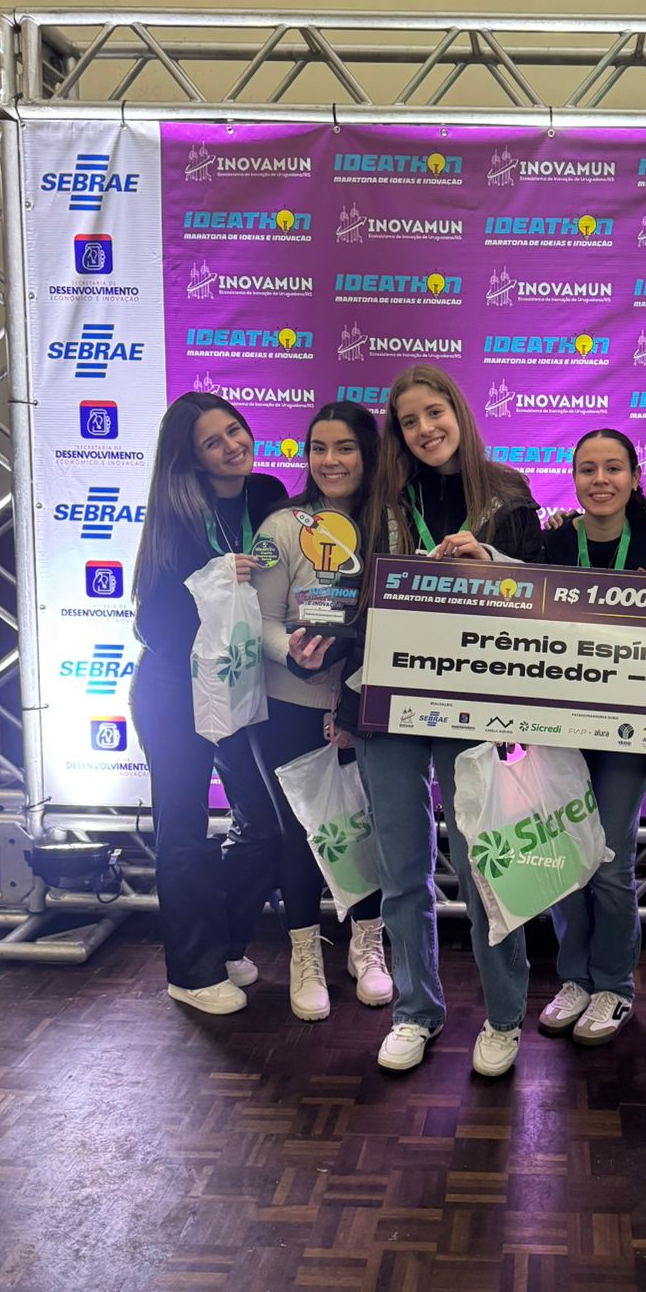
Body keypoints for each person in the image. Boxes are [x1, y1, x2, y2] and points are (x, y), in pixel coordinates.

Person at [356, 365, 544, 1076]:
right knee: (402, 869)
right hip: (391, 701)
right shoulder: (380, 500)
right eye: (409, 421)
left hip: (479, 702)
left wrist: (489, 560)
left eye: (435, 412)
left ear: (458, 413)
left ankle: (504, 1016)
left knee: (483, 864)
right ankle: (414, 1010)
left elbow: (540, 596)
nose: (425, 429)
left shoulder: (507, 491)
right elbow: (354, 596)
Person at [131, 392, 285, 1015]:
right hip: (175, 688)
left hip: (245, 685)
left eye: (235, 430)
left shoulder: (268, 495)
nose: (231, 446)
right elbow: (151, 625)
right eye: (212, 442)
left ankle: (222, 942)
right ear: (191, 459)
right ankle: (191, 974)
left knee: (269, 823)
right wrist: (215, 587)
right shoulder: (177, 514)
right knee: (184, 831)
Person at [249, 402, 391, 1023]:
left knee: (367, 826)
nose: (330, 461)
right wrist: (292, 653)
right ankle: (305, 951)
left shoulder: (391, 524)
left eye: (345, 448)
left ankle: (368, 942)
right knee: (300, 832)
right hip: (289, 703)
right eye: (318, 448)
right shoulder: (282, 525)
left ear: (369, 453)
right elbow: (259, 619)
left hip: (370, 703)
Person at [539, 429, 646, 1045]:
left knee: (609, 860)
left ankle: (613, 984)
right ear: (574, 479)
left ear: (635, 478)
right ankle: (575, 978)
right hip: (562, 723)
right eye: (587, 469)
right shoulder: (555, 542)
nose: (601, 480)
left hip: (629, 729)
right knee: (566, 858)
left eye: (614, 468)